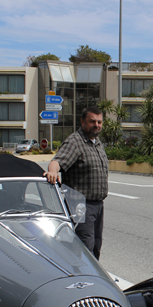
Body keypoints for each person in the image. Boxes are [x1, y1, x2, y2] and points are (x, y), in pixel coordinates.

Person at [44, 106, 108, 260]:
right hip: (80, 206)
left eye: (99, 122)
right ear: (82, 122)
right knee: (85, 249)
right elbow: (57, 162)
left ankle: (92, 278)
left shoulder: (97, 143)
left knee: (96, 246)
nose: (96, 125)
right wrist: (53, 171)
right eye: (92, 121)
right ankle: (84, 280)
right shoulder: (75, 142)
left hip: (98, 206)